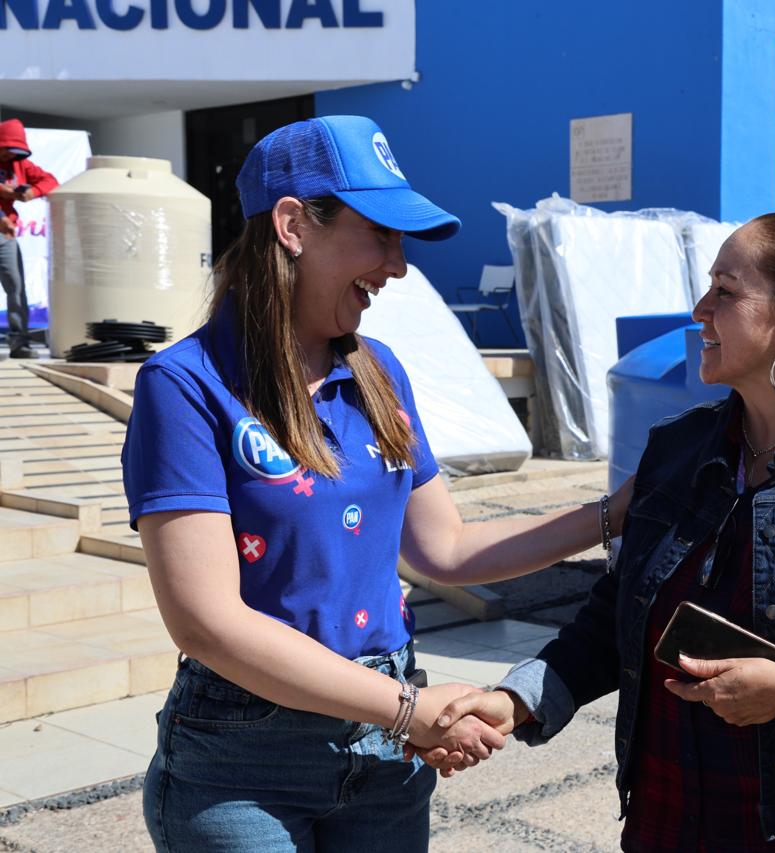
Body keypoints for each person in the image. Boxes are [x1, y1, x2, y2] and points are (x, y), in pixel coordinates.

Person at [122, 115, 630, 852]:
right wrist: (405, 709)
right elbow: (206, 622)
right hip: (245, 760)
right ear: (293, 225)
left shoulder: (377, 369)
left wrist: (614, 512)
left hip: (386, 754)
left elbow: (445, 549)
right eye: (382, 235)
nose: (398, 266)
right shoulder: (185, 386)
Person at [431, 213, 775, 851]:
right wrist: (517, 700)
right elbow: (619, 616)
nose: (700, 310)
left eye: (725, 291)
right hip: (670, 820)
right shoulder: (677, 449)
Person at [0, 118, 59, 359]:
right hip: (4, 226)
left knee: (16, 287)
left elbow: (50, 181)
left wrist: (31, 192)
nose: (10, 155)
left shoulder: (19, 163)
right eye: (7, 150)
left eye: (15, 151)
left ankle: (19, 343)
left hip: (5, 235)